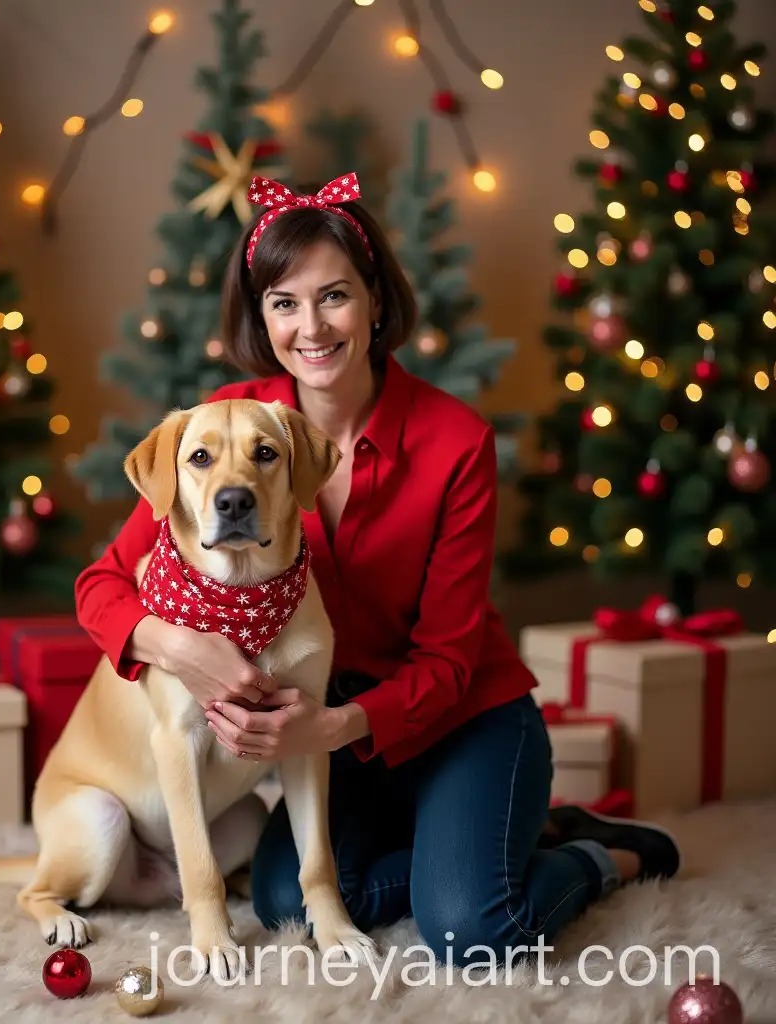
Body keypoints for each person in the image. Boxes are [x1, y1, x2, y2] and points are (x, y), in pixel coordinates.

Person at [74, 172, 680, 966]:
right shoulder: (226, 429)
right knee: (287, 900)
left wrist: (328, 726)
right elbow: (103, 586)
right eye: (284, 303)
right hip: (335, 734)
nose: (311, 326)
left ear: (376, 302)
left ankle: (599, 855)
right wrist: (176, 646)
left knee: (473, 930)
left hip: (459, 717)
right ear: (262, 316)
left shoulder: (454, 441)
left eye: (335, 296)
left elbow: (451, 660)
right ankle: (476, 846)